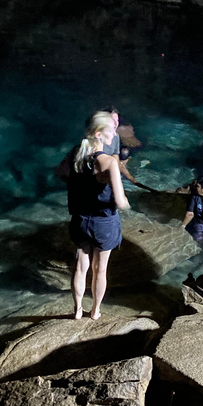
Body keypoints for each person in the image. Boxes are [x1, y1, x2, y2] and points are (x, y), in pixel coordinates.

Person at [68, 112, 130, 320]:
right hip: (103, 223)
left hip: (80, 220)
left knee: (80, 266)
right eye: (111, 130)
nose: (115, 133)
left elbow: (60, 171)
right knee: (99, 269)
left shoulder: (77, 154)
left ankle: (77, 310)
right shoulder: (109, 162)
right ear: (99, 134)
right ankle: (95, 311)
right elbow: (121, 201)